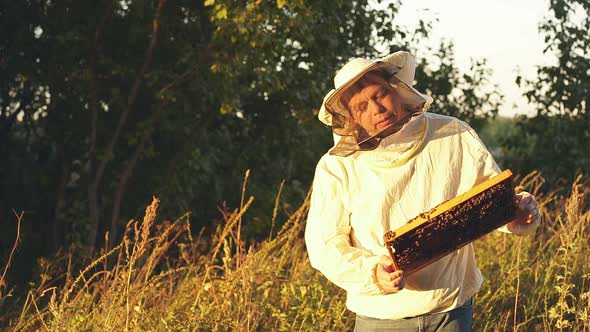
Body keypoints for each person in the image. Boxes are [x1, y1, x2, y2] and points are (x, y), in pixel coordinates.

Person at [304, 51, 541, 332]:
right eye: (361, 106)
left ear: (396, 88)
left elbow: (489, 199)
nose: (376, 109)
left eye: (380, 94)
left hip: (451, 309)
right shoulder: (337, 166)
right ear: (351, 118)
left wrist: (517, 214)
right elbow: (325, 245)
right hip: (380, 317)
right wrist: (373, 273)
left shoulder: (453, 133)